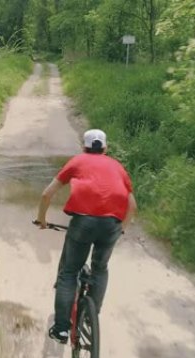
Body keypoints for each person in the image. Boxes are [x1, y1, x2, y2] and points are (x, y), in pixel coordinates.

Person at [35, 129, 137, 344]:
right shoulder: (117, 166)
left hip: (83, 223)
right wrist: (122, 230)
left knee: (69, 272)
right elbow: (132, 205)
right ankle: (91, 318)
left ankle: (62, 328)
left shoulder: (78, 161)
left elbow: (47, 194)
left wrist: (42, 220)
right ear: (105, 149)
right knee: (100, 268)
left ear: (84, 147)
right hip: (112, 224)